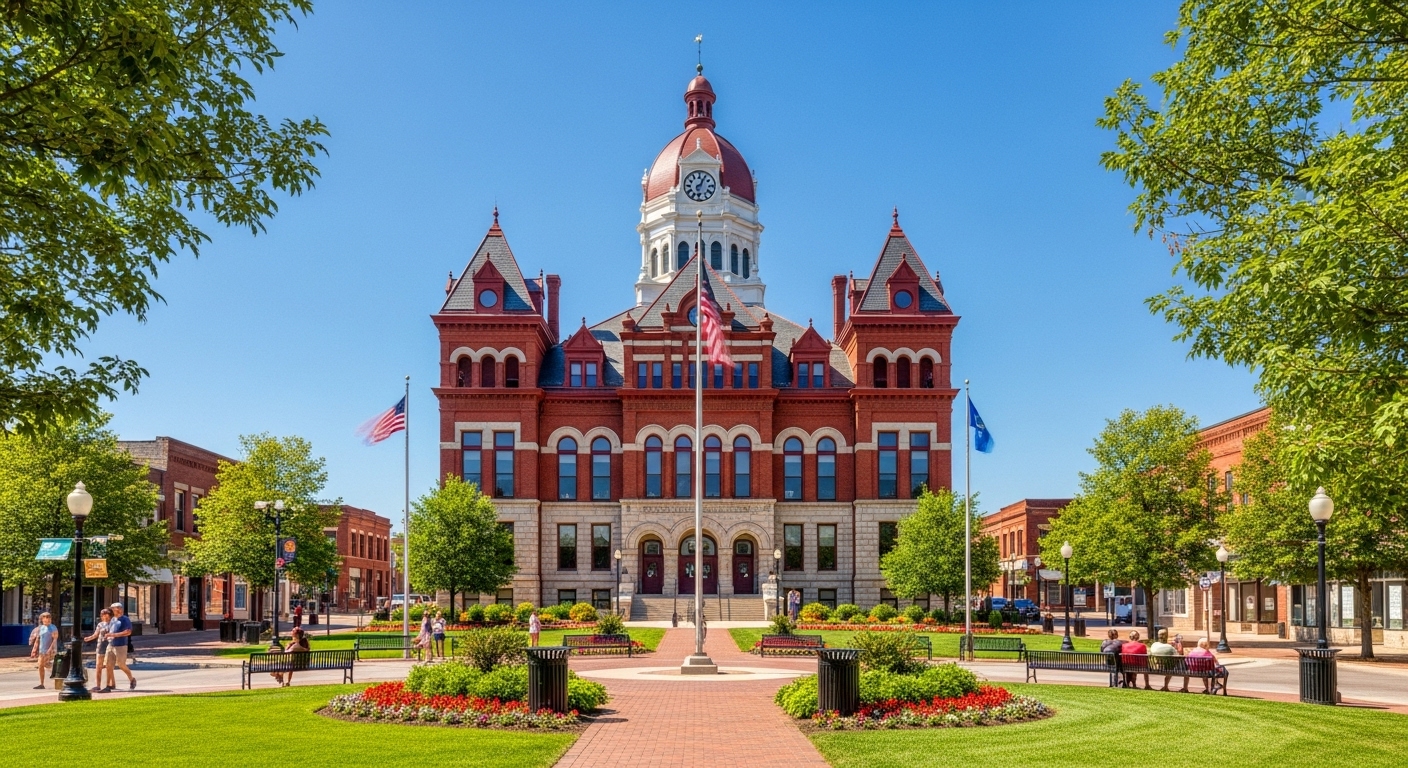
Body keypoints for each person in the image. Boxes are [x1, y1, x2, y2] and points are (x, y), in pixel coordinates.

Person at [104, 602, 136, 691]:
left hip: (121, 645)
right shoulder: (113, 619)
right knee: (108, 665)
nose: (111, 610)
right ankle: (110, 685)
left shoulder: (125, 619)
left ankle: (131, 679)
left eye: (113, 608)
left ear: (119, 609)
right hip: (111, 644)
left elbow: (128, 632)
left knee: (121, 664)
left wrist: (114, 635)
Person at [85, 608, 113, 693]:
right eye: (103, 616)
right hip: (100, 646)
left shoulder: (113, 624)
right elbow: (96, 634)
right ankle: (98, 685)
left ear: (110, 616)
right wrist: (89, 638)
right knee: (98, 666)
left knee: (108, 666)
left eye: (106, 616)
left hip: (110, 647)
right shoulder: (100, 624)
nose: (104, 617)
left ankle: (108, 685)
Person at [28, 612, 59, 690]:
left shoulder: (53, 628)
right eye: (45, 618)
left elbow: (54, 639)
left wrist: (50, 649)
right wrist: (34, 649)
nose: (47, 620)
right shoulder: (41, 628)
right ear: (42, 619)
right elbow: (38, 639)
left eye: (48, 618)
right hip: (42, 650)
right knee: (41, 665)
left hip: (50, 650)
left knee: (45, 664)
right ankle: (42, 684)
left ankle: (59, 674)